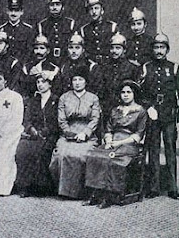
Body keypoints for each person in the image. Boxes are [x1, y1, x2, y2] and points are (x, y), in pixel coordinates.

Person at [139, 33, 179, 200]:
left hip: (169, 116)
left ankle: (172, 188)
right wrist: (148, 107)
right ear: (152, 49)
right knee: (153, 150)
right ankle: (153, 188)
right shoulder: (146, 67)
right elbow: (140, 93)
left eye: (162, 47)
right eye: (156, 47)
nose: (159, 51)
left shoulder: (174, 68)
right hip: (153, 115)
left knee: (170, 150)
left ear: (167, 50)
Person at [84, 80, 148, 208]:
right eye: (123, 92)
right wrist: (108, 141)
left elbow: (138, 135)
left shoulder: (140, 111)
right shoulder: (115, 110)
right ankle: (96, 193)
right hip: (113, 142)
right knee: (94, 155)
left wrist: (119, 142)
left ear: (134, 94)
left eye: (129, 92)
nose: (126, 95)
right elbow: (108, 129)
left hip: (129, 144)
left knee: (111, 158)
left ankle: (108, 195)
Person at [49, 67, 101, 199]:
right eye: (74, 80)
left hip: (87, 133)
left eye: (80, 79)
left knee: (80, 155)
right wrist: (68, 133)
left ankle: (80, 192)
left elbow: (95, 119)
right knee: (61, 154)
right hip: (68, 132)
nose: (77, 83)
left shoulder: (93, 98)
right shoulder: (64, 97)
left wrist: (85, 133)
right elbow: (61, 119)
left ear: (86, 82)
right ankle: (63, 191)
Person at [14, 73, 60, 197]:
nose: (40, 85)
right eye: (38, 82)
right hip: (33, 134)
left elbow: (57, 121)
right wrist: (31, 129)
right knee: (22, 150)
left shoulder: (56, 100)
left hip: (49, 135)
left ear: (50, 84)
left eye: (43, 82)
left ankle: (41, 186)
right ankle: (24, 186)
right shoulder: (33, 100)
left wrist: (45, 132)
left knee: (42, 151)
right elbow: (27, 119)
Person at [56, 32, 103, 97]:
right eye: (71, 47)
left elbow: (96, 90)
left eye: (77, 47)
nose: (73, 51)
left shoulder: (91, 67)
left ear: (83, 50)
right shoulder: (64, 67)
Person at [38, 0, 75, 66]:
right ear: (48, 7)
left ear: (62, 7)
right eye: (52, 5)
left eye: (57, 4)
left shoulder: (70, 23)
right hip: (48, 62)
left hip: (67, 61)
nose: (54, 7)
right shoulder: (42, 24)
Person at [79, 0, 118, 66]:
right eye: (91, 9)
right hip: (91, 65)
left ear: (102, 10)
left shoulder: (112, 27)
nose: (94, 12)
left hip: (109, 65)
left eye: (96, 8)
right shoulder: (84, 30)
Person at [0, 0, 35, 65]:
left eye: (16, 11)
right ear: (7, 11)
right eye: (11, 10)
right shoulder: (1, 29)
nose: (13, 13)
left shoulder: (28, 30)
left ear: (21, 12)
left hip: (22, 65)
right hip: (4, 65)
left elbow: (30, 51)